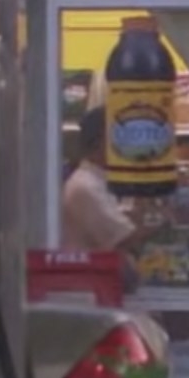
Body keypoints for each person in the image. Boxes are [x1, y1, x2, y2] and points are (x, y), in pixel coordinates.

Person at [60, 108, 144, 282]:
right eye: (121, 135)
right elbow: (125, 239)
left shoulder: (98, 181)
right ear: (100, 142)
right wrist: (168, 213)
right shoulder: (85, 187)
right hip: (89, 290)